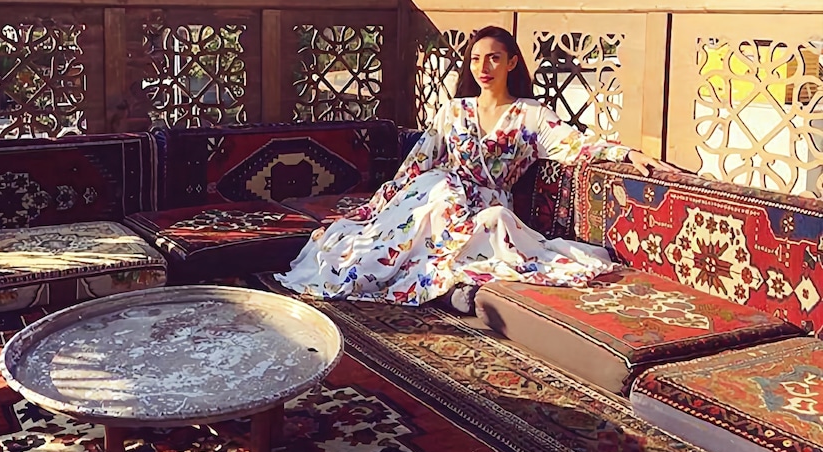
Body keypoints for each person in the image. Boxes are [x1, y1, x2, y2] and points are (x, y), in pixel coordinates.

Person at [275, 24, 673, 311]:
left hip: (483, 207)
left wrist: (626, 154)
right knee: (428, 199)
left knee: (492, 217)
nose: (484, 67)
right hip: (436, 196)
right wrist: (369, 213)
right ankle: (438, 281)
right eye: (477, 59)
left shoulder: (530, 116)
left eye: (495, 58)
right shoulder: (453, 111)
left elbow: (575, 143)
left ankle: (451, 284)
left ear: (512, 63)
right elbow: (415, 167)